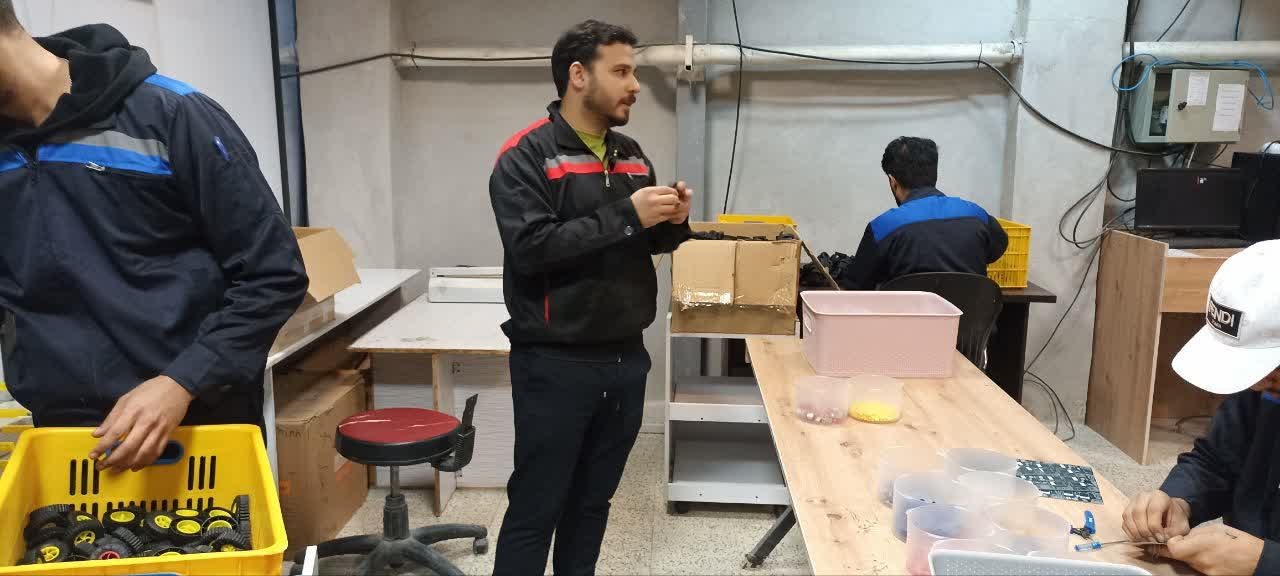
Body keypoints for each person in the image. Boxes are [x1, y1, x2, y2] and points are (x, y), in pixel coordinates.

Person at [0, 6, 308, 472]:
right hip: (65, 434)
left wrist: (181, 382)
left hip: (196, 419)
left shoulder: (169, 114)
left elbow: (274, 274)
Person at [488, 19, 691, 575]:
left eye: (634, 72)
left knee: (592, 504)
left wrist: (672, 222)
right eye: (621, 71)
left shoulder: (632, 155)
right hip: (554, 363)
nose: (635, 85)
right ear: (578, 76)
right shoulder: (526, 156)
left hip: (626, 360)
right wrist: (628, 214)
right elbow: (531, 248)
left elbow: (641, 242)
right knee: (537, 507)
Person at [1121, 240, 1280, 576]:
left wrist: (1264, 562)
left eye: (1271, 370)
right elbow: (1217, 461)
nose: (1256, 385)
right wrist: (1180, 501)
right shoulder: (1264, 388)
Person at [837, 136, 1008, 290]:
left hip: (907, 317)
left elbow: (857, 286)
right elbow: (997, 250)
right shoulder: (976, 214)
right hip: (972, 316)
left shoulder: (883, 227)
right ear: (934, 174)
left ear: (893, 181)